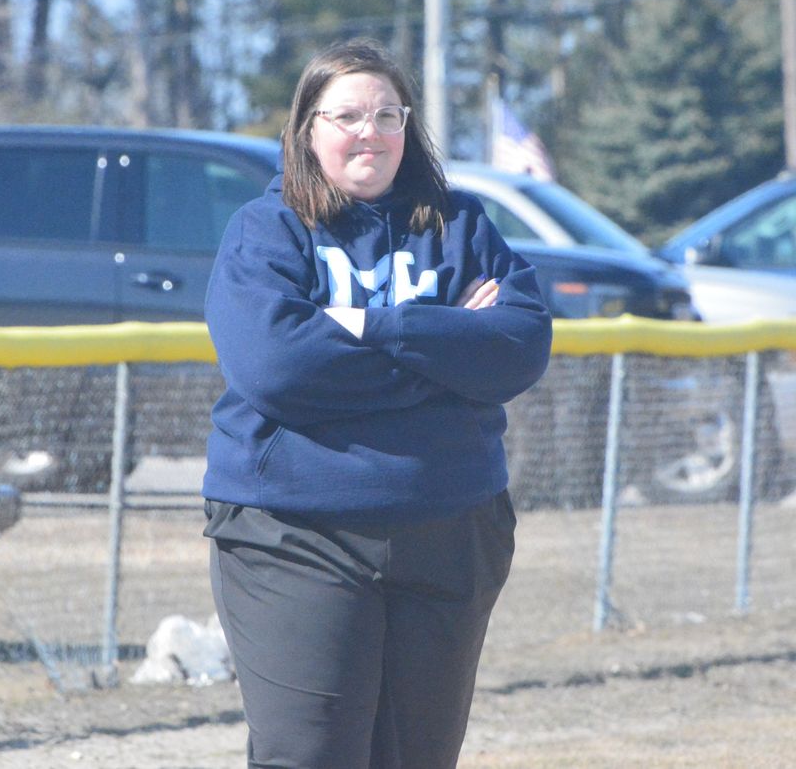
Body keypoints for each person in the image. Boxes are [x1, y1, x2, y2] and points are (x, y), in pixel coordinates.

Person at [202, 37, 552, 769]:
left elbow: (518, 346)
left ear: (409, 127)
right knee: (312, 754)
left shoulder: (461, 225)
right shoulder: (266, 232)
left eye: (388, 115)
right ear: (307, 130)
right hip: (296, 534)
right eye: (348, 115)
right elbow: (277, 365)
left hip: (452, 524)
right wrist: (449, 346)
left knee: (419, 757)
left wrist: (369, 326)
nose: (371, 132)